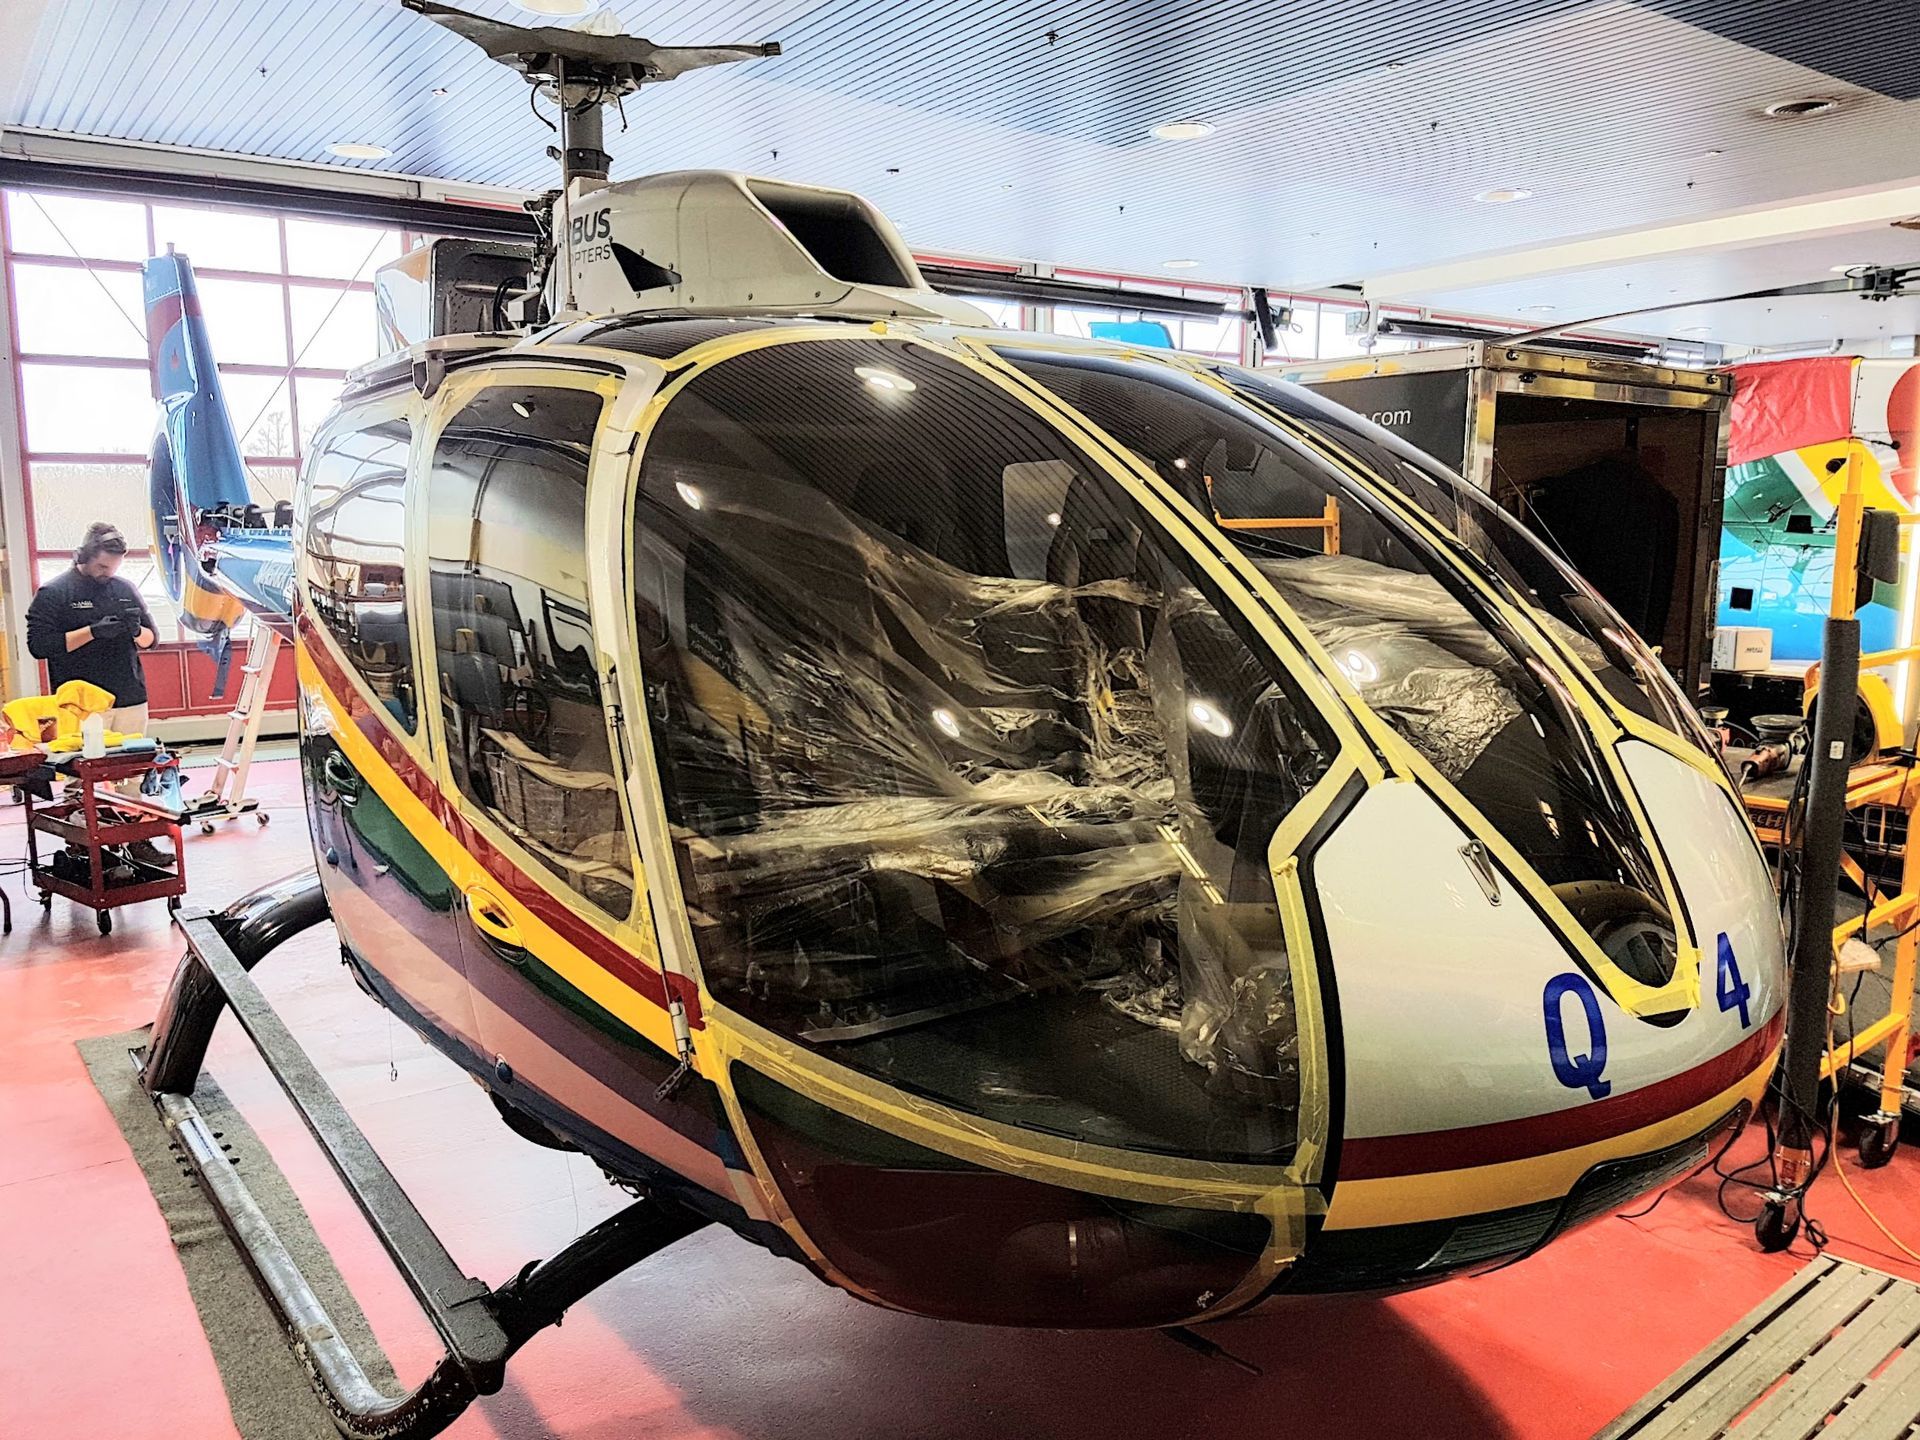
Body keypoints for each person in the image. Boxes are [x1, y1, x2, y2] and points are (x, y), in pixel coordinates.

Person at [26, 522, 157, 735]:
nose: (108, 573)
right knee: (84, 764)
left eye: (114, 567)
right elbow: (39, 646)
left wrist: (136, 630)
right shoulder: (54, 592)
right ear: (83, 557)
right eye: (102, 567)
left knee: (132, 764)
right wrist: (92, 632)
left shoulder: (124, 588)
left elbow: (152, 640)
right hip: (80, 704)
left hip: (129, 698)